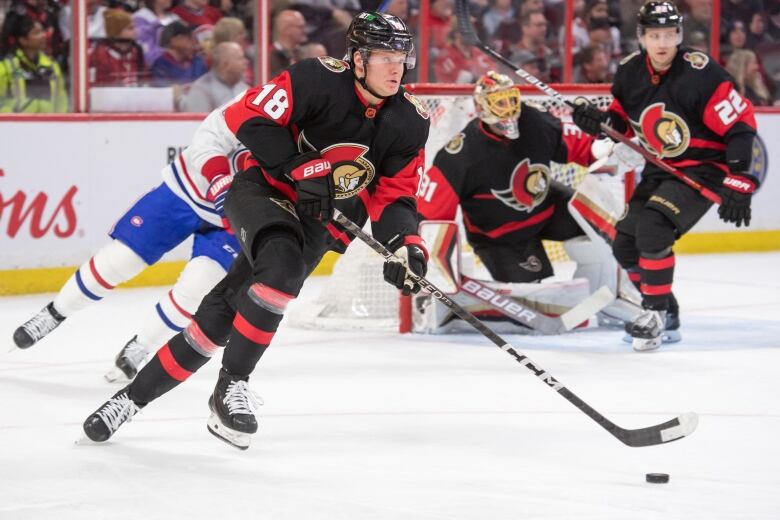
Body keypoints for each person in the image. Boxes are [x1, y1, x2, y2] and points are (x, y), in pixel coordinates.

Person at [82, 11, 430, 450]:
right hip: (262, 193)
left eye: (401, 56)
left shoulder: (410, 120)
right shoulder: (315, 79)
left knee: (221, 316)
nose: (396, 67)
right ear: (358, 59)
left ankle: (127, 401)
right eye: (383, 56)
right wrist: (297, 165)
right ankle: (231, 386)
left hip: (319, 221)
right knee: (281, 269)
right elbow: (248, 118)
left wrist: (406, 244)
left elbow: (396, 195)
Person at [572, 1, 758, 351]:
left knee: (654, 230)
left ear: (679, 35)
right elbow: (620, 123)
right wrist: (597, 123)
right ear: (641, 36)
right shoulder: (629, 72)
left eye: (670, 34)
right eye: (654, 35)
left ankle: (653, 315)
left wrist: (739, 177)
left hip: (705, 169)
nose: (662, 43)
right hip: (662, 169)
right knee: (626, 243)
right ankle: (667, 312)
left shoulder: (702, 73)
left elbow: (740, 126)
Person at [12, 105, 247, 383]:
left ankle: (140, 347)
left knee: (198, 287)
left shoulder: (311, 138)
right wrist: (219, 179)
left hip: (238, 213)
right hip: (186, 190)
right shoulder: (269, 100)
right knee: (121, 259)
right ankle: (55, 312)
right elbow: (211, 134)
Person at [418, 71, 595, 283]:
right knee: (535, 301)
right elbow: (428, 216)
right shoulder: (460, 155)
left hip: (546, 210)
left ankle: (603, 292)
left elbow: (583, 149)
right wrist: (422, 258)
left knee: (600, 224)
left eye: (511, 99)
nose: (509, 108)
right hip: (501, 237)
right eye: (499, 103)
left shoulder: (535, 120)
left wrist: (606, 146)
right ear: (481, 107)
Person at [0, 14, 67, 113]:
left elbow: (61, 100)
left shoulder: (52, 66)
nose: (44, 35)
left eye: (43, 31)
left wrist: (61, 121)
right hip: (15, 125)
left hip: (49, 125)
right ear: (23, 40)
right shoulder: (6, 67)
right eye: (36, 33)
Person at [180, 41, 249, 112]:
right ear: (224, 64)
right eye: (240, 58)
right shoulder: (201, 89)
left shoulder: (245, 89)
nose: (246, 62)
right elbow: (196, 122)